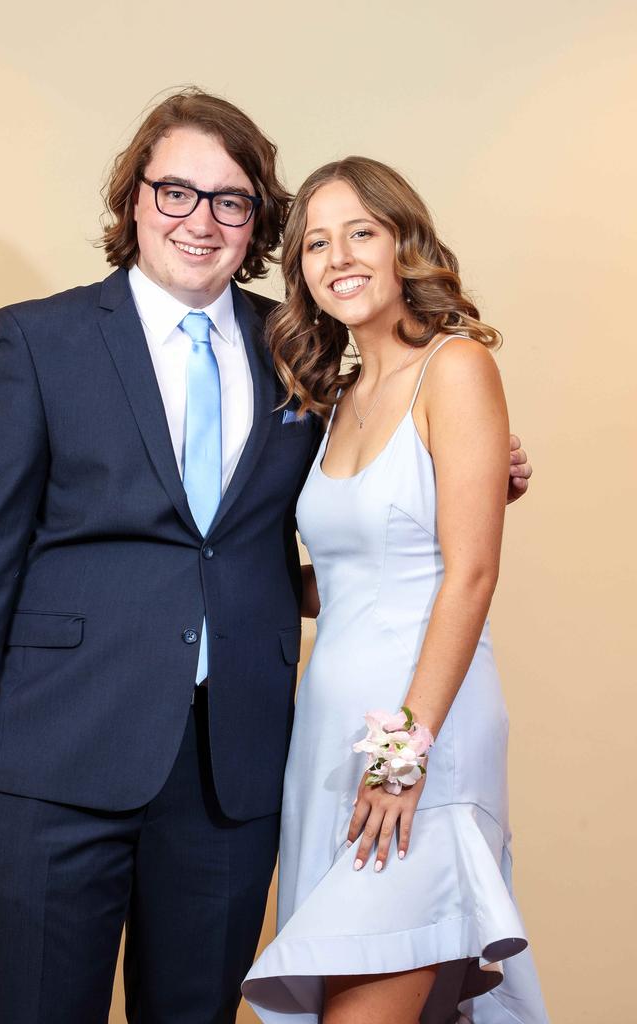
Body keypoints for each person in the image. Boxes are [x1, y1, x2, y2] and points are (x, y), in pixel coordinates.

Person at [0, 91, 532, 1023]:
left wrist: (485, 475)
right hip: (58, 757)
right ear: (134, 201)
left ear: (256, 224)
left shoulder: (297, 352)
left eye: (231, 201)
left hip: (232, 775)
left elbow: (385, 516)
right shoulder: (39, 340)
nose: (201, 221)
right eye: (176, 192)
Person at [243, 159, 548, 1023]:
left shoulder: (454, 368)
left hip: (421, 738)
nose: (337, 256)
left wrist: (402, 757)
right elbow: (338, 578)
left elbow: (472, 573)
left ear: (403, 241)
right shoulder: (335, 397)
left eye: (360, 233)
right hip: (327, 740)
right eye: (314, 243)